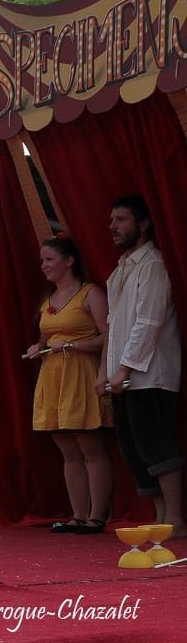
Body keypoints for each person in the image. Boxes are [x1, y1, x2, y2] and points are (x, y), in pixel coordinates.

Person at [96, 195, 184, 537]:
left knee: (157, 444)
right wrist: (107, 371)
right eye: (112, 220)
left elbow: (148, 323)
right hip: (125, 377)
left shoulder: (152, 266)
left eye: (121, 220)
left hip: (151, 374)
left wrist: (124, 369)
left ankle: (175, 518)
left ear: (143, 223)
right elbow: (114, 325)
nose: (112, 227)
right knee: (135, 448)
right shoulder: (122, 268)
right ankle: (162, 516)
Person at [25, 236, 112, 534]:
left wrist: (74, 345)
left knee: (90, 447)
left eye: (49, 259)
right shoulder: (47, 300)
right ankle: (78, 515)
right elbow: (46, 337)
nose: (44, 266)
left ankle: (97, 516)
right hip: (53, 378)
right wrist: (39, 346)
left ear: (69, 260)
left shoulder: (90, 293)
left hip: (81, 375)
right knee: (68, 451)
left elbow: (108, 336)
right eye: (42, 261)